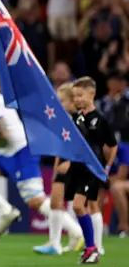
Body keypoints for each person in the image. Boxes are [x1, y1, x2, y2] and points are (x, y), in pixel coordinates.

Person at [0, 74, 83, 247]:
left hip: (20, 150)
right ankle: (5, 211)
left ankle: (76, 232)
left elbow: (1, 131)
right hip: (1, 151)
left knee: (35, 200)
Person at [33, 83, 84, 255]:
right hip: (62, 164)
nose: (59, 105)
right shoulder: (63, 122)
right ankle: (54, 243)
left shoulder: (79, 122)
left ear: (73, 101)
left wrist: (69, 163)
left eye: (62, 101)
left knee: (85, 205)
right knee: (55, 202)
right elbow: (60, 146)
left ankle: (93, 242)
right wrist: (57, 162)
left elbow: (83, 147)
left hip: (77, 166)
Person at [69, 77, 118, 258]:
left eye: (80, 95)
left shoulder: (100, 120)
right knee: (80, 206)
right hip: (78, 168)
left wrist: (107, 167)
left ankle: (94, 247)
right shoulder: (76, 119)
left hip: (92, 168)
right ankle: (91, 247)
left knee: (83, 205)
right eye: (74, 96)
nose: (77, 100)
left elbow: (113, 145)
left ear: (92, 93)